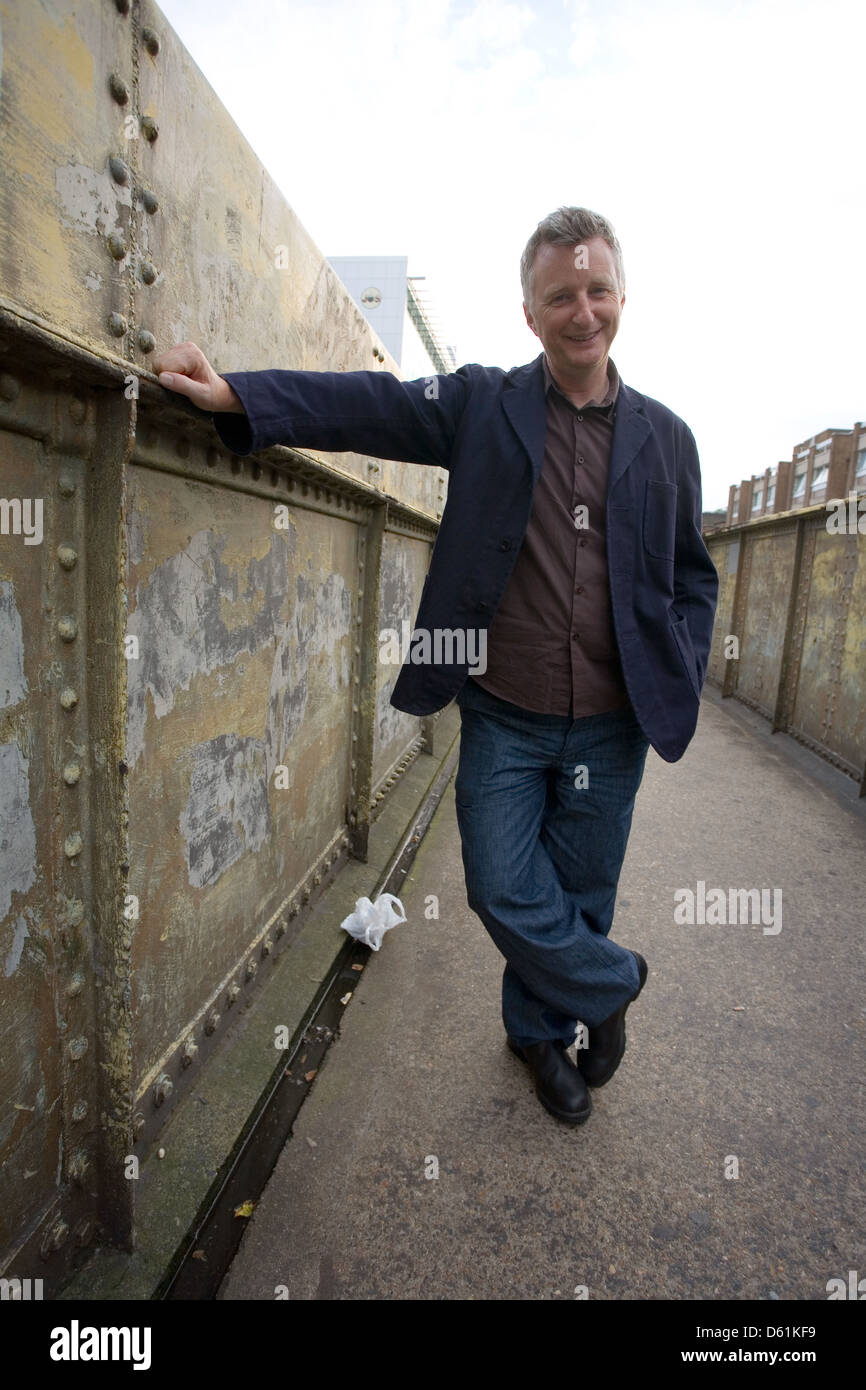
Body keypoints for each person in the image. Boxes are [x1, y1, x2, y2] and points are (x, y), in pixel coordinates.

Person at [153, 206, 719, 1126]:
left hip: (614, 724)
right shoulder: (483, 405)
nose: (583, 312)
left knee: (579, 894)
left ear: (622, 297)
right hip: (502, 710)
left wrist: (681, 662)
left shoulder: (670, 439)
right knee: (501, 885)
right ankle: (609, 985)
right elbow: (366, 406)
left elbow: (694, 574)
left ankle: (541, 1037)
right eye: (560, 297)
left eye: (598, 291)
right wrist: (239, 396)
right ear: (530, 315)